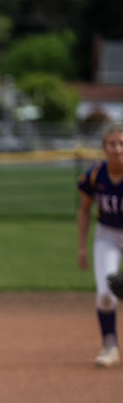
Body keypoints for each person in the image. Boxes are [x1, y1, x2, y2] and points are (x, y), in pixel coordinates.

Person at [76, 123, 123, 367]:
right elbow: (84, 211)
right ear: (105, 148)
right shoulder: (95, 174)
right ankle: (110, 345)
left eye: (121, 144)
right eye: (112, 144)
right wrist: (82, 247)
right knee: (106, 292)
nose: (117, 149)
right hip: (107, 235)